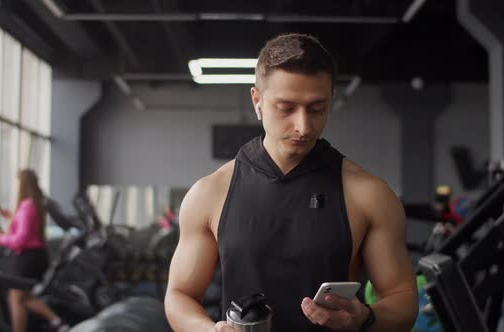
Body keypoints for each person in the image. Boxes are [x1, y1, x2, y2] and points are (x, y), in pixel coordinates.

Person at [165, 33, 418, 332]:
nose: (303, 126)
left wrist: (365, 317)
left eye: (316, 108)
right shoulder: (210, 193)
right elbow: (180, 294)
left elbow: (403, 301)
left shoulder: (368, 194)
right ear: (257, 101)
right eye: (286, 108)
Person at [0, 169, 69, 332]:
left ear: (23, 184)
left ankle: (56, 323)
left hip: (29, 258)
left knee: (15, 299)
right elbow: (27, 227)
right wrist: (11, 217)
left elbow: (21, 239)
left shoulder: (27, 206)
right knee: (23, 298)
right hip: (36, 255)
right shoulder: (35, 203)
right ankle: (57, 323)